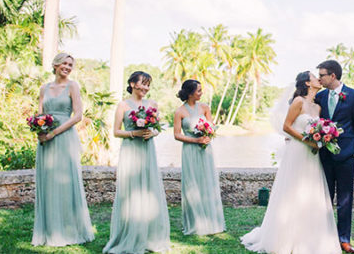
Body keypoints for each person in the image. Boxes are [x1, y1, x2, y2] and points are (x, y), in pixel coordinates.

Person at [241, 71, 341, 254]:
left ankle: (310, 238)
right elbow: (286, 126)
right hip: (297, 152)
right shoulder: (298, 102)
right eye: (314, 76)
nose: (318, 78)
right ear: (307, 83)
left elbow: (317, 129)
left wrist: (321, 140)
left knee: (310, 193)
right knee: (292, 192)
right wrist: (307, 140)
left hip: (312, 155)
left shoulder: (317, 108)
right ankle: (284, 238)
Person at [104, 71, 171, 254]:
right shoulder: (123, 105)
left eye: (148, 84)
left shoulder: (153, 104)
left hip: (147, 150)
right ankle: (129, 234)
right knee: (131, 191)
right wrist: (134, 133)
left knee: (148, 190)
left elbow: (158, 127)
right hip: (131, 150)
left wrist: (153, 133)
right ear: (133, 84)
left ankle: (149, 235)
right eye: (143, 83)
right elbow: (116, 131)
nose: (146, 88)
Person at [32, 52, 94, 247]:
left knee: (66, 182)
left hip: (64, 138)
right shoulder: (44, 88)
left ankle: (68, 230)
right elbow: (39, 114)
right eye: (65, 63)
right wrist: (39, 131)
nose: (67, 67)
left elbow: (78, 116)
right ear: (56, 65)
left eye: (70, 65)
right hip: (46, 140)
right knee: (48, 181)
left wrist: (55, 132)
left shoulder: (72, 86)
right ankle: (49, 230)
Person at [315, 59, 354, 254]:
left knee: (345, 200)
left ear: (333, 76)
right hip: (324, 156)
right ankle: (324, 237)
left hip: (346, 156)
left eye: (322, 75)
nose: (320, 79)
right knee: (325, 198)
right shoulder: (319, 97)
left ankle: (344, 239)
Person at [173, 79, 226, 235]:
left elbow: (211, 127)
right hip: (190, 150)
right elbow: (176, 135)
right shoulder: (179, 111)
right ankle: (195, 222)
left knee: (207, 181)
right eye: (199, 91)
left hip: (205, 150)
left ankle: (211, 221)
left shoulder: (205, 108)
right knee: (192, 184)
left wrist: (208, 136)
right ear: (190, 93)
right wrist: (195, 139)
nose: (201, 93)